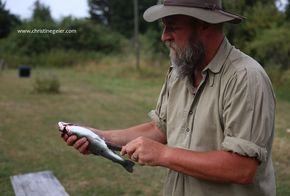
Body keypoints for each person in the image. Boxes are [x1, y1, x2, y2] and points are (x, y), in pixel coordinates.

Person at [62, 0, 276, 195]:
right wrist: (100, 137)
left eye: (172, 26)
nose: (164, 36)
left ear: (204, 25)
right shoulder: (180, 72)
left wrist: (163, 155)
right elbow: (160, 129)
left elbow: (241, 168)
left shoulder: (245, 78)